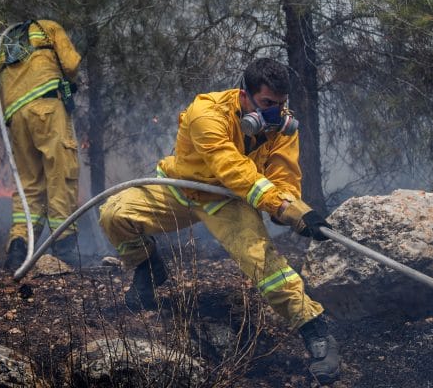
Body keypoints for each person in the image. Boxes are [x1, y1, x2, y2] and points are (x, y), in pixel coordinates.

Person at [98, 57, 340, 384]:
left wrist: (289, 207)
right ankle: (148, 268)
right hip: (182, 188)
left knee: (266, 266)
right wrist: (278, 204)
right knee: (114, 214)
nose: (274, 113)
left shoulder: (282, 126)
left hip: (227, 201)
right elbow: (230, 167)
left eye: (280, 104)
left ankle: (317, 332)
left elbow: (284, 176)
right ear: (245, 96)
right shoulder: (206, 113)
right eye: (267, 103)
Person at [0, 19, 82, 270]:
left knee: (28, 184)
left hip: (16, 116)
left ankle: (18, 247)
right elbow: (72, 63)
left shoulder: (6, 39)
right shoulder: (49, 27)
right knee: (61, 172)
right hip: (46, 108)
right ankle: (63, 249)